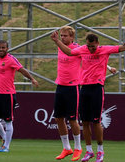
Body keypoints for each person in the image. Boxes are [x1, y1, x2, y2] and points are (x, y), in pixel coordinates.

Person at [52, 22, 125, 162]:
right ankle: (89, 151)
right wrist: (56, 41)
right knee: (85, 122)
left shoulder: (104, 50)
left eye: (93, 46)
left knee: (96, 121)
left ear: (97, 44)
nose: (91, 49)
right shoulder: (83, 50)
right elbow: (69, 52)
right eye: (89, 46)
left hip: (97, 88)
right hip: (84, 88)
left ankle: (100, 151)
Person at [0, 40, 39, 153]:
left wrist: (32, 79)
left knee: (8, 121)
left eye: (3, 48)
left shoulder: (11, 59)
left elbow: (22, 69)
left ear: (7, 49)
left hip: (8, 94)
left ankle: (6, 146)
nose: (1, 49)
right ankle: (4, 137)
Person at [50, 25, 83, 161]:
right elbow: (64, 49)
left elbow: (70, 52)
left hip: (72, 87)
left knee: (72, 119)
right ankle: (66, 148)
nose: (62, 37)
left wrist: (109, 67)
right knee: (58, 118)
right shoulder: (60, 46)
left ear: (72, 37)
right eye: (61, 35)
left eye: (65, 36)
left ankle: (78, 147)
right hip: (60, 86)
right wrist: (58, 41)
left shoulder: (77, 48)